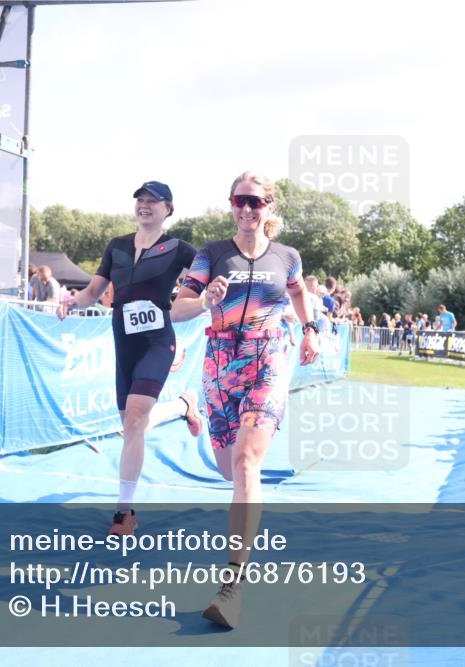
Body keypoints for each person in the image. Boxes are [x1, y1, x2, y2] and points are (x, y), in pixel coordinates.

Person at [172, 171, 320, 629]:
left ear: (268, 207)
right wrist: (204, 300)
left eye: (255, 202)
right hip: (219, 360)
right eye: (239, 200)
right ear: (231, 205)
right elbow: (178, 308)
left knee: (245, 465)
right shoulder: (211, 254)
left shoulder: (287, 257)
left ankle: (233, 584)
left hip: (268, 356)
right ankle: (198, 417)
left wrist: (310, 328)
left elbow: (297, 292)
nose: (247, 209)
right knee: (227, 468)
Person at [59, 180, 201, 534]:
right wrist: (71, 301)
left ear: (169, 209)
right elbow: (93, 292)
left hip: (157, 341)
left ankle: (124, 513)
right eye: (141, 199)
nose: (145, 205)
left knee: (137, 418)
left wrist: (183, 334)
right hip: (124, 341)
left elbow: (193, 295)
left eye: (154, 201)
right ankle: (184, 406)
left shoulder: (181, 249)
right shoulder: (117, 246)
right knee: (131, 425)